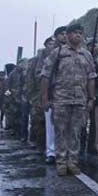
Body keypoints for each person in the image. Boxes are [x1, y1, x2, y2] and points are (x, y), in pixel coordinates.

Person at [41, 23, 96, 176]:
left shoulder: (87, 55)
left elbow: (91, 77)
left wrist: (91, 98)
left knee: (76, 132)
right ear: (67, 35)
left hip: (80, 100)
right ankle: (61, 162)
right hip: (60, 99)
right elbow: (45, 76)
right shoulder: (57, 53)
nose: (78, 35)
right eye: (74, 33)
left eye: (80, 33)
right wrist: (45, 98)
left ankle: (72, 161)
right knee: (60, 131)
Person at [37, 28, 67, 164]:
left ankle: (65, 152)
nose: (65, 36)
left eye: (67, 33)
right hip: (53, 92)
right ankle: (51, 152)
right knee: (52, 126)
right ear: (56, 36)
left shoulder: (74, 50)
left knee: (68, 125)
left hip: (69, 93)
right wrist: (44, 96)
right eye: (62, 34)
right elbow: (40, 74)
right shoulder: (48, 53)